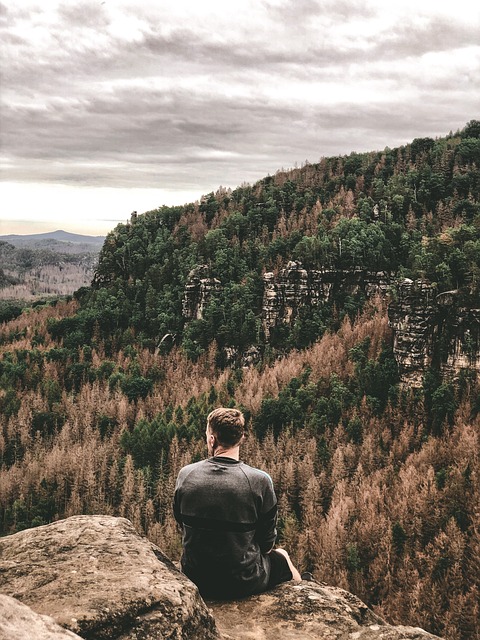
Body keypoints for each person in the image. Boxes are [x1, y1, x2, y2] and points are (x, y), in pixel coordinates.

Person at [173, 407, 301, 599]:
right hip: (243, 581)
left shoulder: (186, 474)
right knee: (282, 556)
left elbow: (181, 524)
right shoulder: (259, 481)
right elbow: (267, 544)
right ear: (241, 438)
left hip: (195, 577)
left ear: (212, 439)